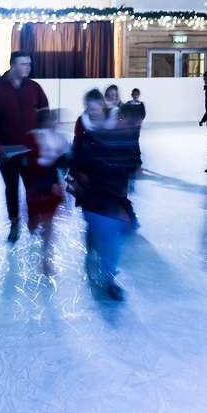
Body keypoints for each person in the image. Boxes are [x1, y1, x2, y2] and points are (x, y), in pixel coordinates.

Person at [70, 88, 141, 301]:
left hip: (113, 189)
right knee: (96, 227)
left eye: (96, 107)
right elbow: (76, 154)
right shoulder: (83, 127)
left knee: (111, 238)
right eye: (89, 108)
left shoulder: (117, 125)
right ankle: (93, 251)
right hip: (91, 190)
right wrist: (75, 176)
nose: (92, 112)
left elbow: (131, 145)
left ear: (102, 106)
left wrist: (134, 165)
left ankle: (109, 279)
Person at [0, 50, 50, 243]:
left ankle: (34, 220)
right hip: (7, 152)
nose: (27, 67)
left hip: (30, 150)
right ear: (12, 65)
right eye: (22, 64)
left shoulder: (34, 88)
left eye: (29, 64)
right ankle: (15, 222)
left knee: (33, 187)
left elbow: (45, 112)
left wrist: (43, 138)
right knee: (11, 188)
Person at [24, 107, 71, 276]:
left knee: (49, 223)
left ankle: (45, 260)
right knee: (36, 222)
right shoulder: (32, 137)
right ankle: (37, 227)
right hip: (37, 185)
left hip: (50, 185)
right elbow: (28, 164)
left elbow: (65, 161)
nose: (54, 123)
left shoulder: (58, 139)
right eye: (51, 119)